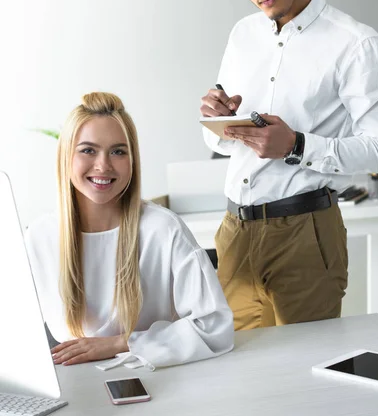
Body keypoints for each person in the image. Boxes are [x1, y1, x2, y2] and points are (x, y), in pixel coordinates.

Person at [200, 0, 378, 331]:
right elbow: (224, 145)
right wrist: (218, 118)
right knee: (242, 380)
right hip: (235, 231)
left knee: (304, 385)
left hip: (305, 233)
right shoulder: (243, 35)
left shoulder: (355, 44)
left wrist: (296, 145)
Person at [25, 92, 234, 368]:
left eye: (118, 151)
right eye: (88, 150)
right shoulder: (40, 236)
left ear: (132, 160)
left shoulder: (162, 229)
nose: (103, 165)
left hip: (153, 374)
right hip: (75, 383)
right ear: (66, 157)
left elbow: (216, 326)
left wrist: (119, 343)